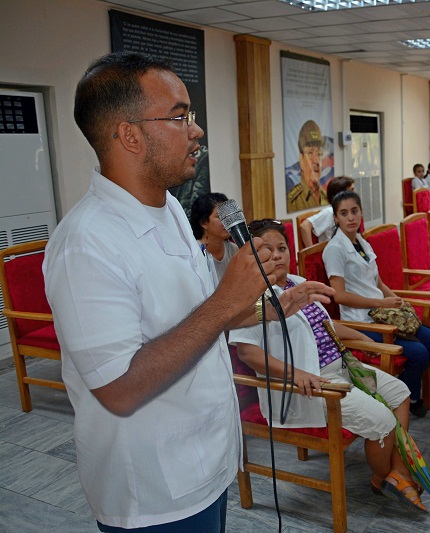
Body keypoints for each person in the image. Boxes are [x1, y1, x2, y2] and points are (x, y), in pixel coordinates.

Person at [43, 52, 334, 531]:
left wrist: (266, 309)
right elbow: (118, 389)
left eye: (191, 116)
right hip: (154, 490)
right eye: (179, 116)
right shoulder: (86, 245)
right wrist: (226, 301)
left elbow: (192, 321)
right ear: (128, 134)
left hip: (210, 458)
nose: (196, 130)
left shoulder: (173, 212)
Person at [229, 221, 427, 510]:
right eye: (266, 250)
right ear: (252, 257)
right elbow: (248, 353)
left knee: (400, 393)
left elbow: (323, 323)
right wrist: (297, 374)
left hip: (341, 367)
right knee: (383, 422)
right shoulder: (251, 301)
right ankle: (384, 475)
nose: (277, 256)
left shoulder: (297, 283)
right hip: (308, 385)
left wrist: (361, 338)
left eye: (282, 248)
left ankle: (395, 472)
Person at [323, 190, 430, 418]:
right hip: (361, 322)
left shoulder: (361, 242)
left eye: (354, 211)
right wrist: (382, 302)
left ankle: (401, 385)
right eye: (344, 213)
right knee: (418, 352)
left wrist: (397, 301)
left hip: (382, 311)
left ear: (361, 212)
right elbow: (339, 296)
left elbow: (376, 280)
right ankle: (405, 398)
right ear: (336, 217)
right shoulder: (335, 249)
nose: (350, 218)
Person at [190, 192, 238, 283]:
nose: (228, 221)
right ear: (204, 223)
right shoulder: (194, 253)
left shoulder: (234, 250)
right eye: (220, 217)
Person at [299, 176, 355, 248]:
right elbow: (304, 226)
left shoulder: (352, 211)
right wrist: (311, 252)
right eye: (351, 190)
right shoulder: (330, 212)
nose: (355, 194)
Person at [288, 119, 328, 212]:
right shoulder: (292, 202)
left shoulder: (327, 197)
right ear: (301, 159)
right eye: (310, 153)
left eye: (319, 153)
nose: (316, 161)